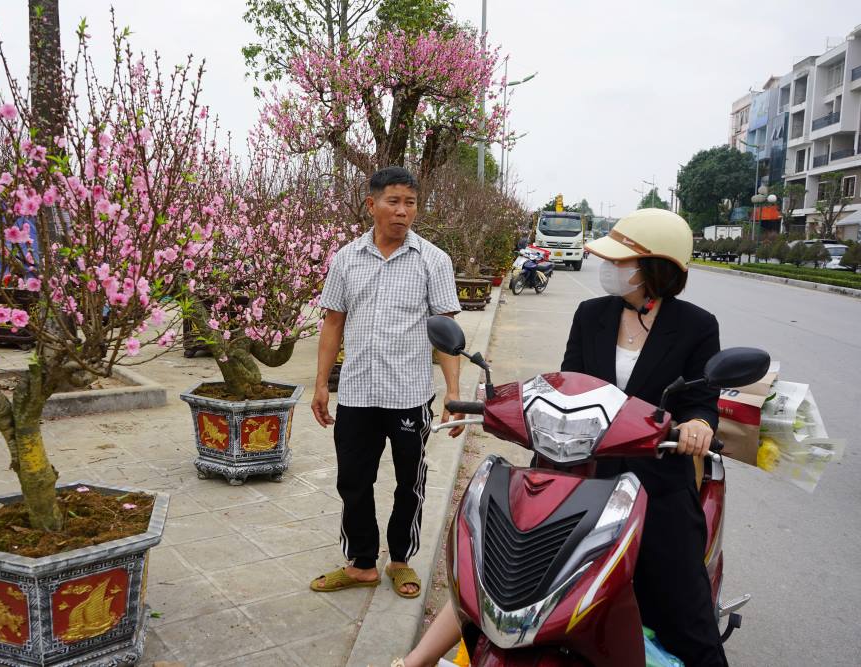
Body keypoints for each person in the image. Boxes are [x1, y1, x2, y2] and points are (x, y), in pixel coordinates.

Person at [399, 208, 727, 667]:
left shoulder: (696, 325)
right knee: (499, 566)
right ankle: (415, 660)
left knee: (688, 617)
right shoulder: (591, 313)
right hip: (576, 470)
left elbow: (701, 399)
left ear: (655, 268)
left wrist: (698, 425)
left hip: (654, 480)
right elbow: (566, 383)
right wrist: (512, 404)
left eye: (621, 262)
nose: (611, 270)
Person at [310, 166, 466, 600]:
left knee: (409, 482)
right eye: (393, 201)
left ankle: (399, 560)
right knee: (353, 481)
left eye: (410, 203)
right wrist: (321, 384)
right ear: (372, 204)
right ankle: (361, 563)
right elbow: (333, 323)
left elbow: (445, 332)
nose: (402, 211)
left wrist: (454, 395)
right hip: (357, 393)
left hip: (409, 396)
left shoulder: (433, 260)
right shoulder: (346, 259)